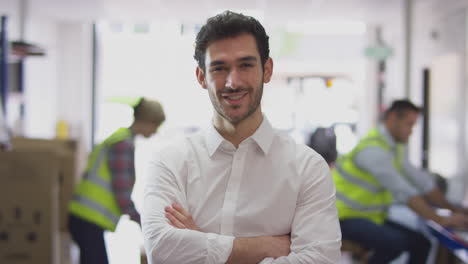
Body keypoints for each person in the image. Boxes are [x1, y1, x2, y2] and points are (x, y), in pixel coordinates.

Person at [142, 10, 341, 264]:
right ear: (201, 76)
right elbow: (161, 250)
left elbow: (320, 260)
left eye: (245, 65)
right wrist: (265, 247)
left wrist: (201, 244)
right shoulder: (169, 161)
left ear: (267, 70)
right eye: (219, 68)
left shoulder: (307, 168)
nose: (232, 82)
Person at [333, 99, 468, 264]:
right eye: (409, 124)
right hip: (344, 218)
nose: (411, 131)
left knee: (421, 243)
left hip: (368, 216)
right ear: (392, 118)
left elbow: (421, 180)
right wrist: (441, 219)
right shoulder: (373, 150)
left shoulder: (394, 147)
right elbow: (404, 191)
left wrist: (454, 209)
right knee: (395, 243)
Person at [68, 97, 165, 264]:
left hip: (83, 218)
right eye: (155, 126)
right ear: (147, 121)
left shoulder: (120, 139)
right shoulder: (122, 144)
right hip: (88, 219)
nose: (155, 132)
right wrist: (143, 221)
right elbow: (121, 192)